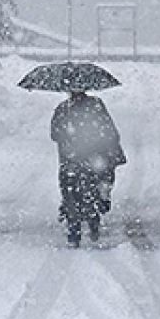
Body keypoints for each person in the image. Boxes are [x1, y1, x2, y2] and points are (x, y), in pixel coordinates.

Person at [51, 90, 125, 247]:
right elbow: (108, 130)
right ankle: (93, 221)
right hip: (92, 158)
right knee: (92, 190)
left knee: (71, 193)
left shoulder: (63, 109)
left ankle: (74, 230)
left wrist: (69, 136)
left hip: (71, 159)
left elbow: (55, 134)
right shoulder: (96, 106)